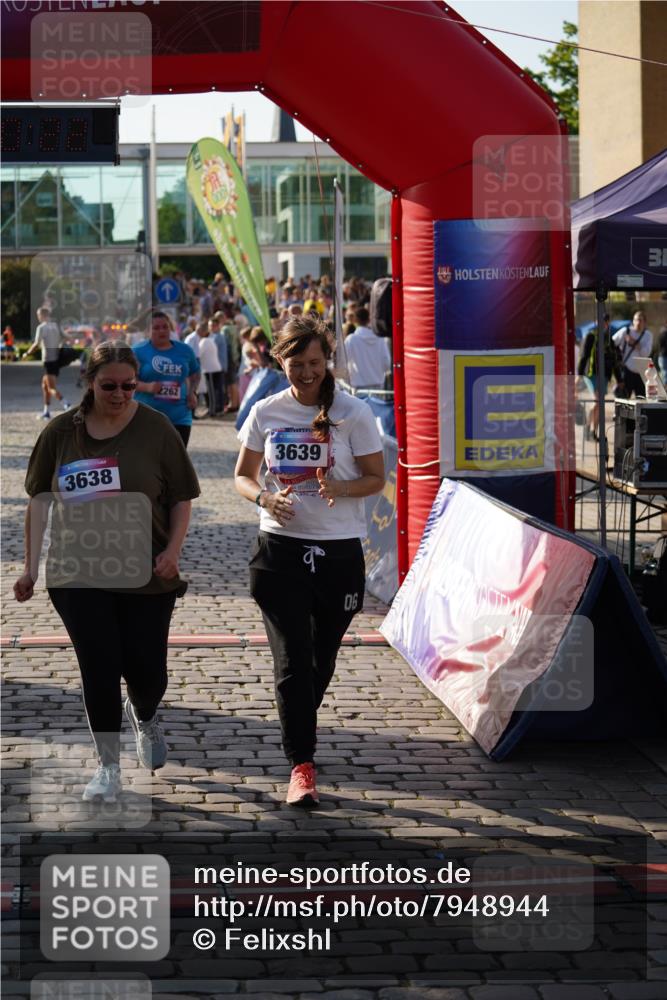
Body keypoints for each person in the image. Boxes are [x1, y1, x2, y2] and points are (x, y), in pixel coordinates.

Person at [14, 341, 200, 802]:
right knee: (99, 667)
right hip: (77, 573)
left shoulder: (157, 429)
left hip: (145, 572)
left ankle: (146, 712)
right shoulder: (60, 433)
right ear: (90, 383)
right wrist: (30, 569)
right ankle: (108, 767)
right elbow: (38, 502)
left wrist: (173, 551)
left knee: (147, 671)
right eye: (109, 385)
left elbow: (181, 498)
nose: (119, 394)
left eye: (128, 386)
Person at [234, 314, 384, 807]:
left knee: (321, 659)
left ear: (328, 360)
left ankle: (298, 716)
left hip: (339, 550)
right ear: (280, 361)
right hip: (279, 551)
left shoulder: (354, 413)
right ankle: (302, 765)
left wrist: (341, 487)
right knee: (293, 663)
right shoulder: (265, 411)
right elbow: (243, 476)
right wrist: (263, 500)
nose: (306, 373)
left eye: (315, 363)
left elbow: (375, 479)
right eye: (297, 364)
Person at [133, 311, 200, 447]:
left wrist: (192, 392)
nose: (161, 331)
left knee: (176, 463)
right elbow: (125, 382)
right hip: (147, 417)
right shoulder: (137, 351)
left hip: (180, 417)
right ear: (148, 331)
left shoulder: (185, 350)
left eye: (165, 327)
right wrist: (148, 387)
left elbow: (195, 373)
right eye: (156, 328)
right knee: (150, 463)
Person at [576, 313, 623, 440]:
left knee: (599, 404)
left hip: (604, 375)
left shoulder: (609, 339)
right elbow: (584, 355)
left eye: (605, 321)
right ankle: (588, 428)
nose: (602, 323)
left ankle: (593, 432)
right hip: (591, 374)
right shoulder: (590, 335)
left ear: (608, 322)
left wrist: (619, 380)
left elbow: (614, 361)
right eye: (600, 321)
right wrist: (579, 375)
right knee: (597, 401)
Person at [24, 307, 70, 419]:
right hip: (56, 359)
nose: (38, 318)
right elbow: (66, 337)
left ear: (42, 315)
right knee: (44, 386)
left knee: (51, 388)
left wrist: (27, 353)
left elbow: (36, 344)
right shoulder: (56, 326)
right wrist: (59, 345)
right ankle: (46, 412)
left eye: (38, 316)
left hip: (48, 360)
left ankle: (66, 405)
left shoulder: (41, 327)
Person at [343, 306, 391, 389]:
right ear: (369, 319)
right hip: (378, 388)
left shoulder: (351, 340)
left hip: (358, 389)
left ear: (355, 320)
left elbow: (342, 362)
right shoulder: (380, 338)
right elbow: (386, 364)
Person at [613, 310, 653, 398]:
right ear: (633, 321)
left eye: (640, 320)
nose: (638, 323)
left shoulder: (648, 335)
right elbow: (612, 343)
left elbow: (645, 353)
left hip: (641, 373)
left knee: (641, 400)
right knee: (623, 400)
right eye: (636, 320)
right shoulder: (625, 331)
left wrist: (634, 343)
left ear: (645, 322)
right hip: (627, 371)